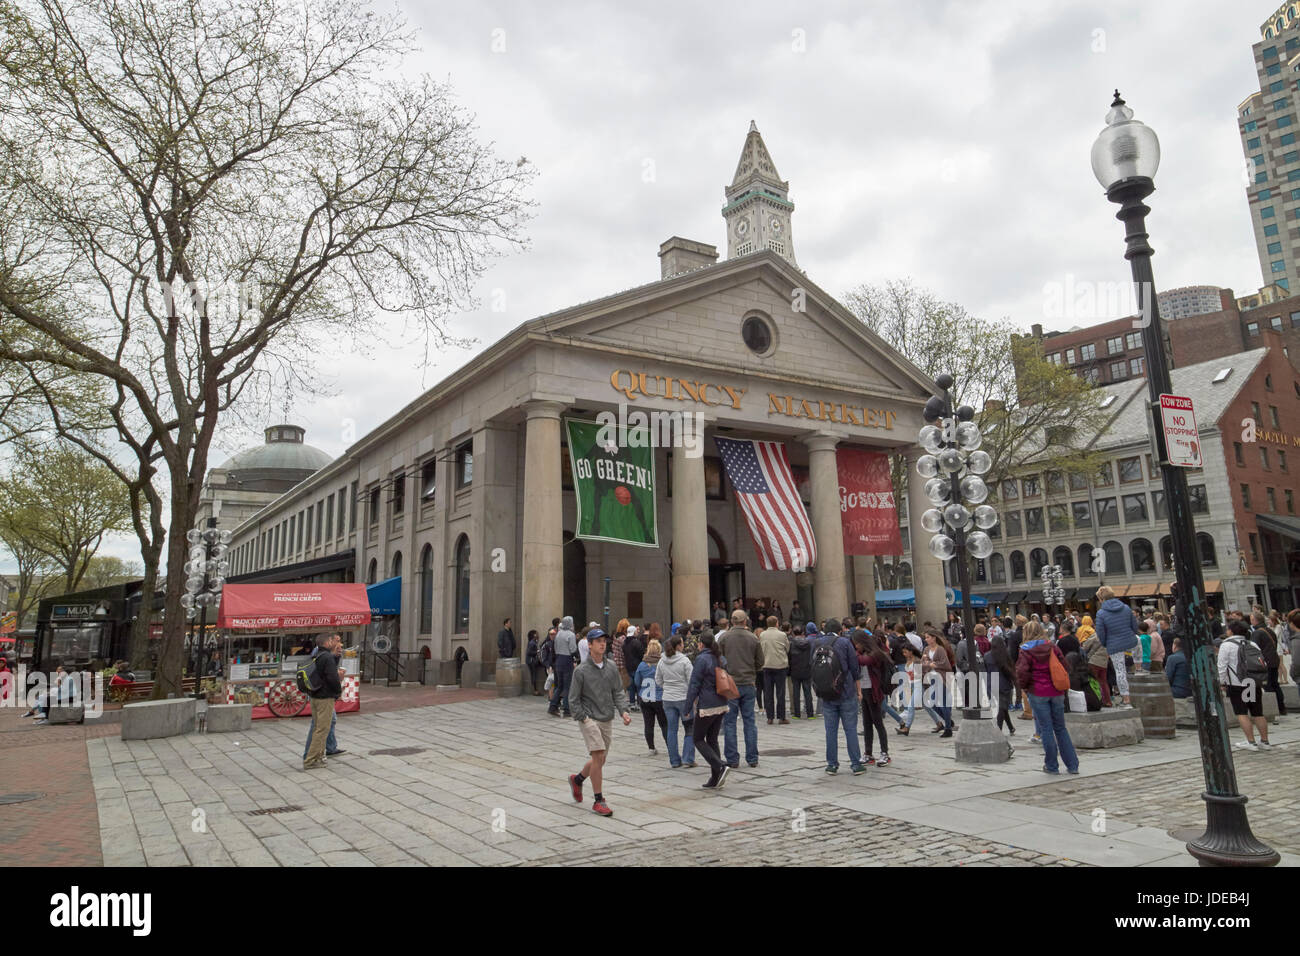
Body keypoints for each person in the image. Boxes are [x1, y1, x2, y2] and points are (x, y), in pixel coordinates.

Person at [567, 629, 633, 816]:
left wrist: (624, 711)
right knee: (598, 755)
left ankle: (578, 779)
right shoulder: (581, 671)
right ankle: (598, 800)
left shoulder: (611, 667)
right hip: (589, 718)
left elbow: (618, 691)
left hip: (606, 717)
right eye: (598, 641)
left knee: (600, 760)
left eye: (604, 641)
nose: (602, 644)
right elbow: (573, 699)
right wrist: (583, 717)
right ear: (589, 644)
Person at [1015, 621, 1080, 775]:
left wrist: (1025, 686)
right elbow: (1065, 665)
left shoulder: (1025, 650)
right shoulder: (1051, 646)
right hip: (1056, 691)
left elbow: (1022, 672)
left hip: (1037, 691)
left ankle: (1052, 765)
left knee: (1046, 728)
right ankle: (1072, 765)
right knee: (1061, 728)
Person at [813, 618, 864, 774]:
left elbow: (812, 665)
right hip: (846, 691)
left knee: (831, 731)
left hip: (827, 692)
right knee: (850, 729)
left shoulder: (816, 643)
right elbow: (854, 667)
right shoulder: (844, 642)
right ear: (840, 630)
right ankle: (856, 764)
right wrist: (858, 689)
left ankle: (832, 764)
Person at [684, 631, 731, 789]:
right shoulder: (720, 658)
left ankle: (720, 765)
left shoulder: (702, 659)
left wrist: (687, 706)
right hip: (721, 702)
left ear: (701, 644)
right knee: (712, 739)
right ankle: (715, 777)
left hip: (707, 705)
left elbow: (694, 684)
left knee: (697, 738)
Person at [717, 610, 762, 768]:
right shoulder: (753, 638)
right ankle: (752, 757)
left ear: (732, 621)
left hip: (730, 683)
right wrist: (752, 672)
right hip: (748, 682)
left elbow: (718, 659)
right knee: (749, 721)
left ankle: (732, 759)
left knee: (729, 722)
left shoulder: (724, 638)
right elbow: (760, 661)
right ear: (745, 621)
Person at [1219, 621, 1272, 752]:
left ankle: (1251, 741)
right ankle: (1265, 741)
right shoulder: (1252, 644)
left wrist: (1222, 682)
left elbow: (1222, 666)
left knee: (1241, 712)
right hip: (1252, 681)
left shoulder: (1226, 645)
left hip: (1237, 683)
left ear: (1231, 631)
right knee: (1257, 712)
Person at [656, 634, 697, 768]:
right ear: (678, 646)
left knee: (671, 730)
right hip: (683, 698)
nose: (683, 645)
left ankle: (674, 760)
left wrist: (667, 687)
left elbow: (658, 680)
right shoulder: (685, 661)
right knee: (689, 728)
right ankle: (688, 758)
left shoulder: (662, 661)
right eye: (682, 643)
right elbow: (692, 680)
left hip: (667, 698)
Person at [303, 633, 343, 769]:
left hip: (315, 695)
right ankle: (310, 759)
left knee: (318, 727)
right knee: (322, 729)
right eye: (332, 640)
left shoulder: (317, 655)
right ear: (327, 642)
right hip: (325, 697)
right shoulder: (327, 657)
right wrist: (338, 692)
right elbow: (332, 678)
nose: (335, 642)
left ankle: (318, 757)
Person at [1093, 586, 1138, 706]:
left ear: (1101, 599)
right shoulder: (1126, 608)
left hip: (1114, 644)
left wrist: (1105, 644)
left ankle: (1126, 699)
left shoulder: (1101, 613)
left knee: (1120, 671)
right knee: (1136, 666)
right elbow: (1134, 626)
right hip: (1130, 641)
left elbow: (1101, 633)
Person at [856, 632, 893, 767]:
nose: (856, 646)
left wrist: (852, 652)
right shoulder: (863, 652)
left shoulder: (875, 655)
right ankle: (868, 753)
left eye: (857, 643)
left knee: (878, 722)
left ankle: (885, 753)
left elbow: (863, 661)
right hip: (865, 690)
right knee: (866, 723)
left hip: (874, 691)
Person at [634, 639, 668, 756]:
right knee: (664, 724)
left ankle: (651, 748)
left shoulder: (642, 664)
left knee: (648, 724)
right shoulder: (662, 664)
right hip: (659, 698)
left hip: (645, 698)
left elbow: (637, 682)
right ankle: (670, 746)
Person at [1249, 611, 1287, 716]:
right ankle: (1281, 707)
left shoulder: (1257, 633)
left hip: (1265, 663)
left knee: (1268, 686)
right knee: (1275, 685)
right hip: (1274, 661)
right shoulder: (1269, 631)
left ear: (1254, 620)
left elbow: (1254, 649)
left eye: (1251, 619)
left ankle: (1274, 709)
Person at [758, 615, 790, 725]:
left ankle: (770, 717)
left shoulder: (762, 634)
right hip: (780, 666)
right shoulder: (782, 635)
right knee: (780, 692)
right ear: (776, 623)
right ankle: (781, 717)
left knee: (768, 692)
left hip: (767, 665)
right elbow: (787, 648)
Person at [922, 629, 955, 736]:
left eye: (928, 637)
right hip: (931, 678)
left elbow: (945, 664)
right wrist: (928, 664)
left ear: (933, 638)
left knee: (944, 703)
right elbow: (922, 664)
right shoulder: (926, 649)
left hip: (941, 678)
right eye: (925, 637)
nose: (926, 639)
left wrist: (933, 664)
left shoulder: (940, 649)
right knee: (931, 702)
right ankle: (948, 720)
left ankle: (948, 729)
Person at [548, 616, 578, 718]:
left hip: (558, 660)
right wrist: (576, 657)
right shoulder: (571, 634)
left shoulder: (559, 633)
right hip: (567, 660)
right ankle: (567, 710)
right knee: (567, 686)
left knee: (559, 685)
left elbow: (555, 648)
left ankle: (552, 706)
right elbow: (573, 649)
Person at [987, 633, 1016, 734]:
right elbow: (1010, 670)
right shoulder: (1006, 655)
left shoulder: (987, 656)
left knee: (1002, 707)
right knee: (1002, 707)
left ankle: (1010, 727)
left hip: (992, 684)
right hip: (1004, 684)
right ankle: (998, 730)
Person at [789, 622, 815, 719]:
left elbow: (789, 657)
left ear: (793, 633)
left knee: (796, 693)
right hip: (806, 670)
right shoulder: (807, 643)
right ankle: (810, 714)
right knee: (807, 692)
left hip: (795, 670)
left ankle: (797, 714)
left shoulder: (791, 643)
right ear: (803, 633)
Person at [1081, 627, 1112, 708]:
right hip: (1104, 662)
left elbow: (1085, 646)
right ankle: (1108, 701)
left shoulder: (1096, 635)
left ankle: (1096, 700)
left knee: (1093, 682)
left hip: (1094, 661)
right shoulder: (1110, 637)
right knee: (1104, 682)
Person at [624, 624, 647, 712]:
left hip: (628, 666)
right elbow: (641, 654)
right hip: (637, 666)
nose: (638, 632)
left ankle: (632, 702)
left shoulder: (625, 642)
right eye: (636, 631)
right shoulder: (636, 642)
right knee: (639, 684)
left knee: (631, 686)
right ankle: (639, 703)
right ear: (633, 632)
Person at [538, 628, 556, 698]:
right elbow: (543, 657)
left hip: (557, 666)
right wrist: (548, 666)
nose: (553, 635)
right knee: (552, 684)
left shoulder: (557, 643)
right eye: (551, 634)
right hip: (550, 668)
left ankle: (554, 699)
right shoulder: (546, 644)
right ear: (549, 635)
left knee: (556, 684)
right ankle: (551, 699)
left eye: (554, 634)